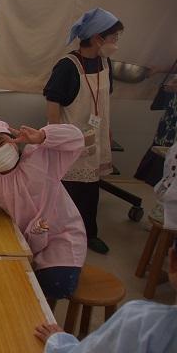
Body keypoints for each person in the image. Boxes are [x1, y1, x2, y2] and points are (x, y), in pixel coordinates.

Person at [34, 143, 177, 351]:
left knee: (54, 282)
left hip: (64, 242)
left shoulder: (143, 326)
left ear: (173, 262)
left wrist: (58, 342)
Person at [0, 117, 86, 302]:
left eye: (1, 142)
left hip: (61, 235)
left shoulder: (40, 157)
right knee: (3, 280)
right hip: (23, 240)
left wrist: (42, 136)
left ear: (14, 140)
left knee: (56, 285)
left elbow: (76, 137)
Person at [44, 7, 124, 255]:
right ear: (98, 38)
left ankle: (89, 234)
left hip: (95, 136)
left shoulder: (104, 62)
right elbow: (53, 103)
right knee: (68, 190)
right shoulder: (67, 67)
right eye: (114, 37)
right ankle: (59, 234)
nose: (116, 43)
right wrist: (55, 138)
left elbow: (104, 101)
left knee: (91, 189)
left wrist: (108, 131)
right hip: (71, 138)